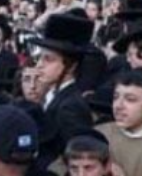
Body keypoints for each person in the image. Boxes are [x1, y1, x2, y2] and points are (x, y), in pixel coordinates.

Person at [33, 13, 95, 166]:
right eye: (40, 58)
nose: (39, 65)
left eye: (48, 59)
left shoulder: (70, 106)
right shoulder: (53, 96)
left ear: (71, 66)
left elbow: (78, 157)